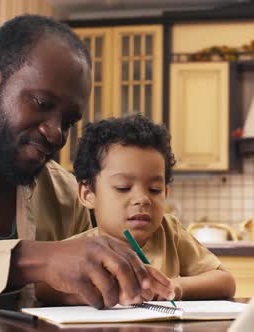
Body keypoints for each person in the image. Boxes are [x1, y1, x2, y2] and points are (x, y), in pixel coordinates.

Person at [0, 15, 173, 308]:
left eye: (68, 122)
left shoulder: (65, 195)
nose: (56, 134)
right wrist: (32, 260)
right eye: (42, 104)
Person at [36, 115, 236, 304]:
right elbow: (42, 288)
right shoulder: (82, 249)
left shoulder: (170, 232)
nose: (143, 199)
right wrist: (99, 294)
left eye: (155, 190)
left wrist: (177, 286)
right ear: (88, 194)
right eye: (123, 187)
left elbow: (225, 282)